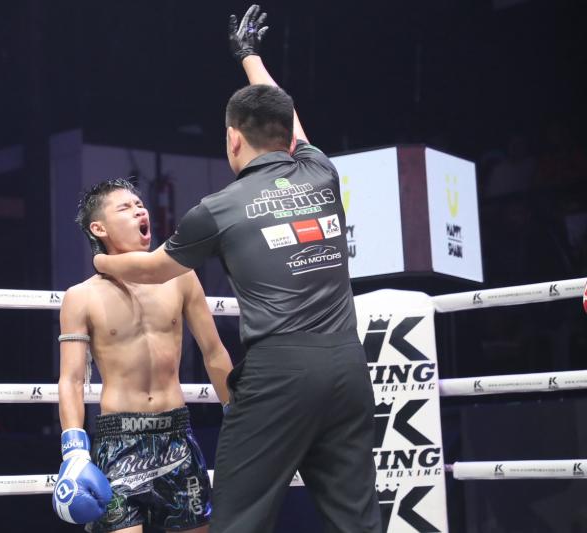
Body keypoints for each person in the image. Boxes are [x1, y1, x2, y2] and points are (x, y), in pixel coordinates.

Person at [93, 6, 381, 533]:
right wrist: (250, 56)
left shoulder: (220, 208)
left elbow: (152, 270)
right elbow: (287, 117)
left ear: (232, 139)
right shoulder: (320, 172)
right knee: (356, 522)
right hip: (347, 366)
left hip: (279, 375)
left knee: (237, 521)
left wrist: (100, 258)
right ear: (286, 137)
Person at [53, 178, 234, 533]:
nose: (140, 210)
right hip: (118, 440)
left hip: (176, 435)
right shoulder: (81, 296)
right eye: (125, 207)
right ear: (99, 228)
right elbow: (72, 379)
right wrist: (73, 449)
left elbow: (214, 352)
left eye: (140, 204)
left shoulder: (181, 278)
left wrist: (236, 412)